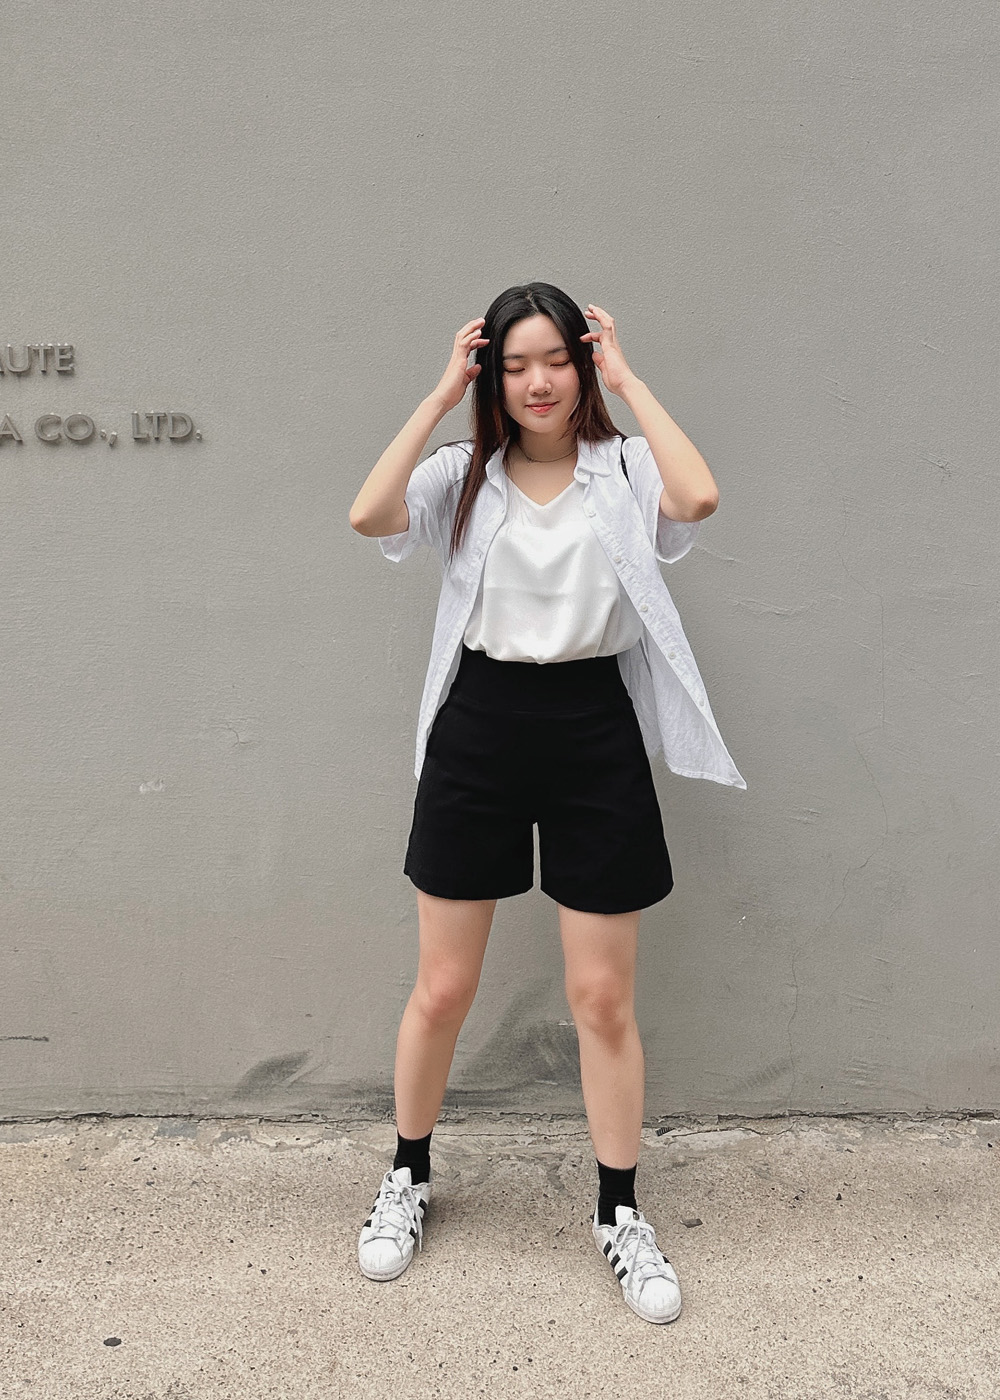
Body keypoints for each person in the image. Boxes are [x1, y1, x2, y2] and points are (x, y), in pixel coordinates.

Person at [348, 281, 746, 1325]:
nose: (538, 382)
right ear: (492, 374)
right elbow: (368, 515)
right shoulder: (461, 475)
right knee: (443, 986)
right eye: (516, 364)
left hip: (590, 729)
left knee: (601, 999)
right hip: (480, 724)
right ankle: (407, 1175)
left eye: (557, 360)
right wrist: (438, 396)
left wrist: (631, 379)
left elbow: (699, 497)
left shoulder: (624, 469)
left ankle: (619, 1212)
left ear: (582, 365)